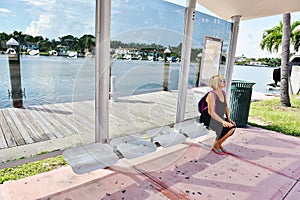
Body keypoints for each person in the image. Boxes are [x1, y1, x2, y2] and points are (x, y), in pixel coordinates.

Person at [200, 75, 236, 155]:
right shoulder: (211, 95)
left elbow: (226, 106)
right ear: (216, 83)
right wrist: (223, 122)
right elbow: (211, 112)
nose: (224, 81)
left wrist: (228, 118)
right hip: (208, 117)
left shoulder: (223, 93)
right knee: (225, 128)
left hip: (217, 117)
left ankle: (219, 144)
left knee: (232, 127)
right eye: (222, 80)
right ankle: (215, 145)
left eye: (224, 80)